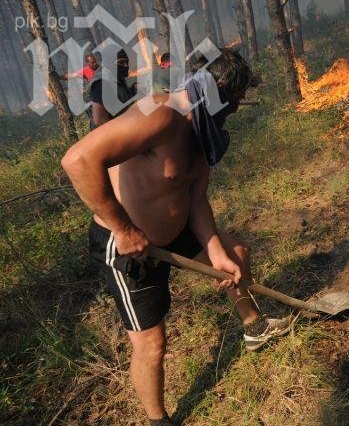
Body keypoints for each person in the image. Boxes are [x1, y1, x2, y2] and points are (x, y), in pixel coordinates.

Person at [61, 49, 290, 425]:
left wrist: (215, 251)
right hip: (127, 246)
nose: (237, 107)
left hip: (176, 231)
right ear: (216, 90)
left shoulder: (206, 130)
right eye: (235, 99)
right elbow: (77, 160)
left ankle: (254, 328)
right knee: (152, 344)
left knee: (236, 252)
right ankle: (158, 419)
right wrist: (122, 228)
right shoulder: (160, 113)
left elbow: (195, 197)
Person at [88, 49, 137, 127]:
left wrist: (133, 90)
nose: (126, 65)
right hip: (111, 135)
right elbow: (100, 121)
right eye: (120, 62)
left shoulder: (116, 76)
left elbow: (119, 98)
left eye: (126, 62)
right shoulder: (102, 83)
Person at [60, 54, 99, 128]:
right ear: (87, 63)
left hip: (102, 96)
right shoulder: (85, 70)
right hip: (93, 98)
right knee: (93, 118)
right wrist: (58, 77)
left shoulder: (100, 68)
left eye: (95, 62)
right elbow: (71, 75)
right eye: (92, 62)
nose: (95, 64)